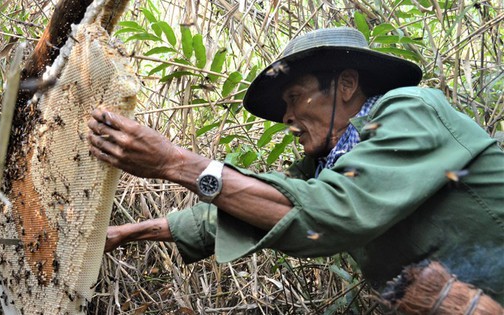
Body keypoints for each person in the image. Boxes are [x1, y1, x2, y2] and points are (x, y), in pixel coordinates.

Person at [87, 27, 504, 303]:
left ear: (345, 84)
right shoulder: (324, 165)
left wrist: (174, 162)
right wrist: (124, 233)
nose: (286, 117)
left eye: (295, 97)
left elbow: (333, 212)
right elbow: (237, 211)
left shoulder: (410, 109)